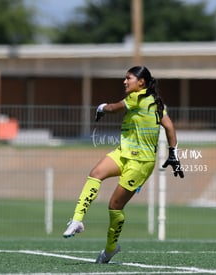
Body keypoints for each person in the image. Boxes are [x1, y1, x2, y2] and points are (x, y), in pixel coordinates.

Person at [63, 66, 184, 264]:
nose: (125, 81)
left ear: (141, 82)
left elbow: (112, 108)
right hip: (123, 153)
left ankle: (110, 248)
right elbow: (169, 126)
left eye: (128, 78)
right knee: (95, 173)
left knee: (114, 206)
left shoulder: (137, 98)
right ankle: (77, 220)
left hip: (141, 163)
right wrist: (173, 154)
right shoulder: (156, 102)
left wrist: (101, 107)